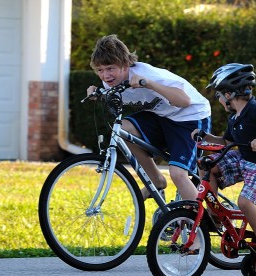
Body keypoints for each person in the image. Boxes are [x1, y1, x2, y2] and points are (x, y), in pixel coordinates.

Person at [87, 34, 211, 201]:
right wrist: (98, 95)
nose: (105, 75)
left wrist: (149, 83)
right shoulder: (110, 82)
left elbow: (184, 101)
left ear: (125, 65)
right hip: (161, 116)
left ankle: (199, 223)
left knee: (178, 174)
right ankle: (156, 180)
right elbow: (111, 102)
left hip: (190, 118)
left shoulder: (147, 73)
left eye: (110, 68)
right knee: (123, 129)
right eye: (100, 70)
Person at [192, 63, 256, 272]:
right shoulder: (234, 118)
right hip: (244, 158)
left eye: (219, 94)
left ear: (229, 93)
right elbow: (226, 143)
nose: (218, 99)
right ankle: (214, 215)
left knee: (244, 202)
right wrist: (205, 136)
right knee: (207, 164)